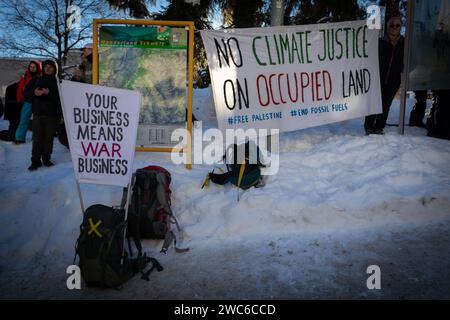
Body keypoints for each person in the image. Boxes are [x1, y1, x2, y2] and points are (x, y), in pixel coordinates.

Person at [364, 16, 405, 135]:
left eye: (397, 25)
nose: (394, 28)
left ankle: (379, 127)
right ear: (387, 27)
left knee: (386, 104)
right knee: (374, 102)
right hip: (378, 77)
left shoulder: (404, 44)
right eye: (392, 25)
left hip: (394, 79)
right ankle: (368, 126)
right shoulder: (380, 42)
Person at [23, 60, 62, 171]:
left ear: (55, 69)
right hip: (38, 116)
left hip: (52, 116)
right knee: (37, 139)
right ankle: (35, 161)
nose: (48, 69)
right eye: (46, 67)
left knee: (48, 139)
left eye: (51, 67)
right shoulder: (36, 80)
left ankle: (46, 159)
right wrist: (34, 93)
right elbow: (25, 93)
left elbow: (62, 99)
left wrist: (49, 93)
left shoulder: (58, 82)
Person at [14, 61, 42, 144]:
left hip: (38, 101)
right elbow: (21, 88)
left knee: (38, 121)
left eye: (34, 67)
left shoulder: (41, 76)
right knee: (24, 120)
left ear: (38, 67)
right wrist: (19, 98)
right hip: (27, 100)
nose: (32, 68)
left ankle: (36, 138)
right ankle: (19, 138)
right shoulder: (26, 76)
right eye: (31, 67)